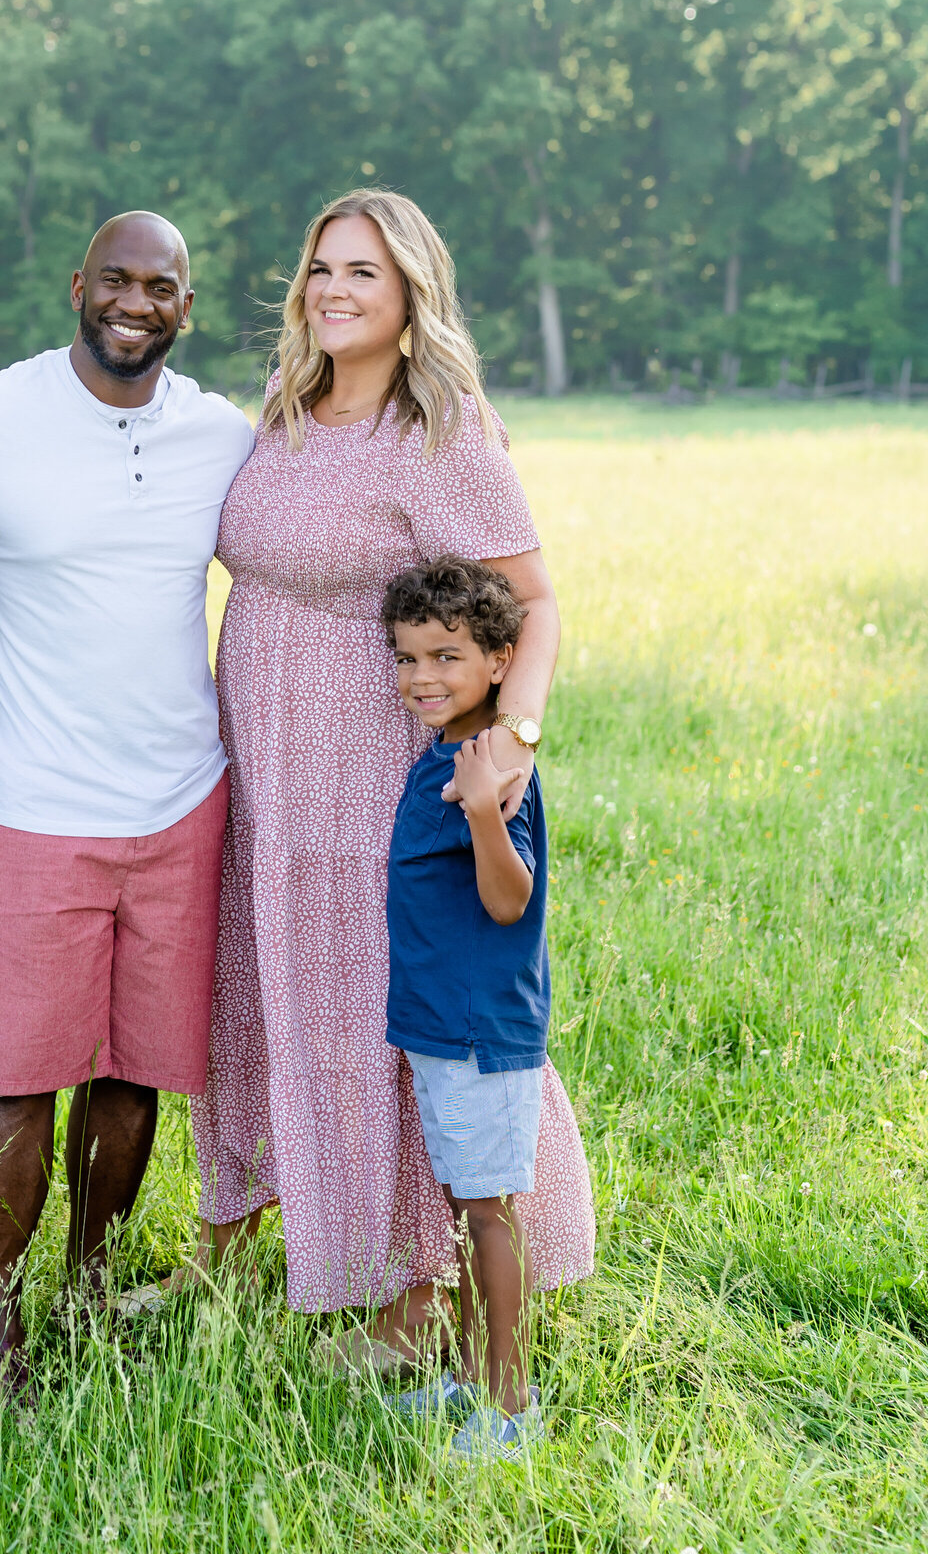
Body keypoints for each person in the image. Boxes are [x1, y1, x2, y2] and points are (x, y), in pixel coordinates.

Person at [187, 188, 593, 1361]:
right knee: (268, 991)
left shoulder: (442, 431)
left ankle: (414, 1288)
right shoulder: (285, 408)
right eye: (320, 267)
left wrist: (512, 734)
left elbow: (534, 601)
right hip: (262, 759)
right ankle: (267, 1230)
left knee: (371, 1002)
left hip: (370, 761)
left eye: (362, 272)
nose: (333, 290)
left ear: (411, 291)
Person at [0, 212, 256, 1388]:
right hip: (31, 808)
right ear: (76, 287)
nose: (137, 302)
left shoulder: (220, 434)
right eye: (117, 279)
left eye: (162, 287)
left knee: (132, 1075)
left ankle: (89, 1291)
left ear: (185, 308)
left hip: (183, 800)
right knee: (16, 1076)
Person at [381, 556, 553, 1459]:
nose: (422, 678)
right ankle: (471, 1377)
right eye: (407, 658)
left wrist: (485, 812)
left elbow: (508, 900)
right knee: (462, 1201)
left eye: (446, 657)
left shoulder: (490, 763)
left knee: (489, 1212)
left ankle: (511, 1404)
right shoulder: (449, 749)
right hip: (439, 1021)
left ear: (500, 660)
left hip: (483, 1027)